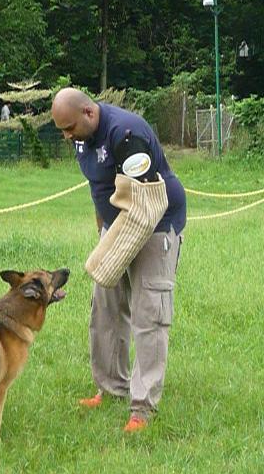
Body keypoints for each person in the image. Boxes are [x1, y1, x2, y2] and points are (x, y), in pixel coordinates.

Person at [51, 87, 185, 433]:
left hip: (155, 223)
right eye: (61, 130)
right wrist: (103, 237)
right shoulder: (82, 136)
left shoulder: (126, 134)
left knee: (149, 312)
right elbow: (100, 190)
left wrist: (121, 251)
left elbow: (144, 202)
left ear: (88, 114)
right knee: (105, 308)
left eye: (69, 128)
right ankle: (110, 387)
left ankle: (142, 408)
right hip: (117, 225)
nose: (66, 137)